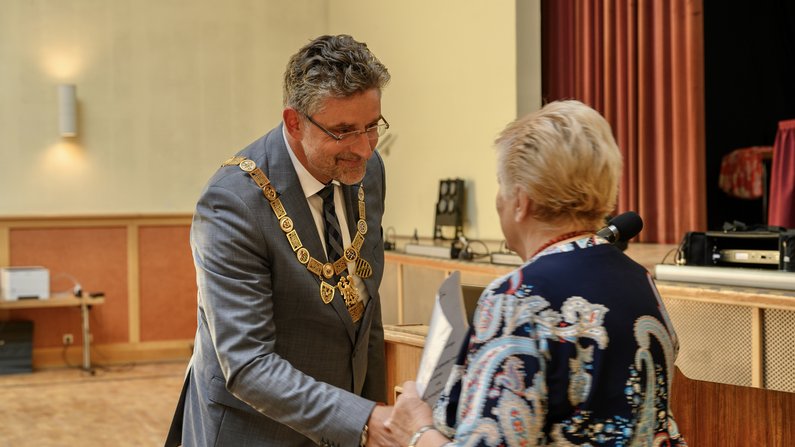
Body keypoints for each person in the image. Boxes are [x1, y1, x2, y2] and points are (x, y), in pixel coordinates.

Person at [386, 100, 687, 446]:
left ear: (521, 200)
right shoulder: (640, 281)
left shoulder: (516, 298)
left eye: (501, 184)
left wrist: (416, 430)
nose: (499, 199)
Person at [165, 34, 397, 447]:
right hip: (252, 431)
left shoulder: (368, 171)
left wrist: (371, 413)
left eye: (371, 126)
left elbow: (365, 309)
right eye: (344, 131)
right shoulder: (233, 203)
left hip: (341, 427)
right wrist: (364, 420)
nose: (363, 148)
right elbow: (248, 363)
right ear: (294, 122)